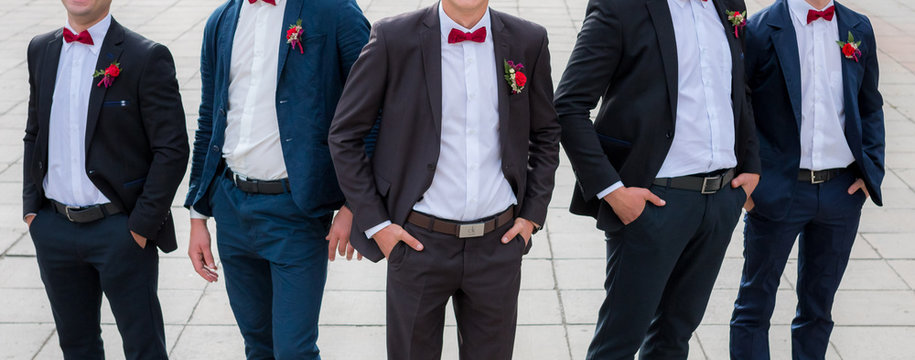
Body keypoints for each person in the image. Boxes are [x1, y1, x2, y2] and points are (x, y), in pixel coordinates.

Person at [328, 0, 561, 358]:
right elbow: (345, 135)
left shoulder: (528, 40)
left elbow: (546, 132)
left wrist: (532, 216)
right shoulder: (394, 38)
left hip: (497, 245)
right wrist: (378, 225)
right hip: (417, 244)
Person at [554, 0, 761, 358]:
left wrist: (751, 164)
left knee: (674, 337)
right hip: (654, 203)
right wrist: (613, 191)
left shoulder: (729, 5)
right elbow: (569, 104)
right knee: (618, 343)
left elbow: (739, 89)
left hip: (720, 201)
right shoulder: (621, 7)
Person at [183, 0, 370, 358]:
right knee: (257, 346)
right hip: (231, 206)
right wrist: (198, 212)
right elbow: (210, 116)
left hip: (295, 211)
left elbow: (374, 110)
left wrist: (354, 204)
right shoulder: (222, 20)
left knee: (293, 351)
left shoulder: (335, 12)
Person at [22, 0, 189, 358]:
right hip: (55, 228)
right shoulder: (41, 49)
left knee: (143, 347)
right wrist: (32, 210)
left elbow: (172, 149)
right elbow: (34, 132)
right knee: (77, 347)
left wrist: (141, 226)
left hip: (120, 231)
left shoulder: (146, 57)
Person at [729, 0, 884, 358]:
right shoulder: (760, 29)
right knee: (754, 306)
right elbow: (740, 105)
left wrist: (869, 170)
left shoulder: (857, 28)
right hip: (777, 189)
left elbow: (869, 104)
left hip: (840, 191)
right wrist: (749, 180)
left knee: (818, 309)